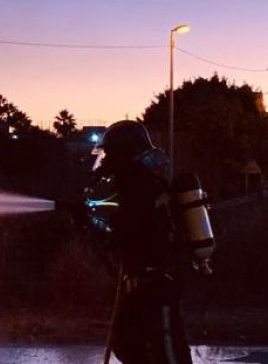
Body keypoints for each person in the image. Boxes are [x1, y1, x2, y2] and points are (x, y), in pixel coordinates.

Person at [95, 119, 192, 364]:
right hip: (140, 288)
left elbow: (131, 232)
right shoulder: (132, 187)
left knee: (168, 352)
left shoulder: (144, 187)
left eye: (110, 154)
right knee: (127, 343)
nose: (105, 161)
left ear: (124, 154)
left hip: (156, 288)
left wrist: (99, 228)